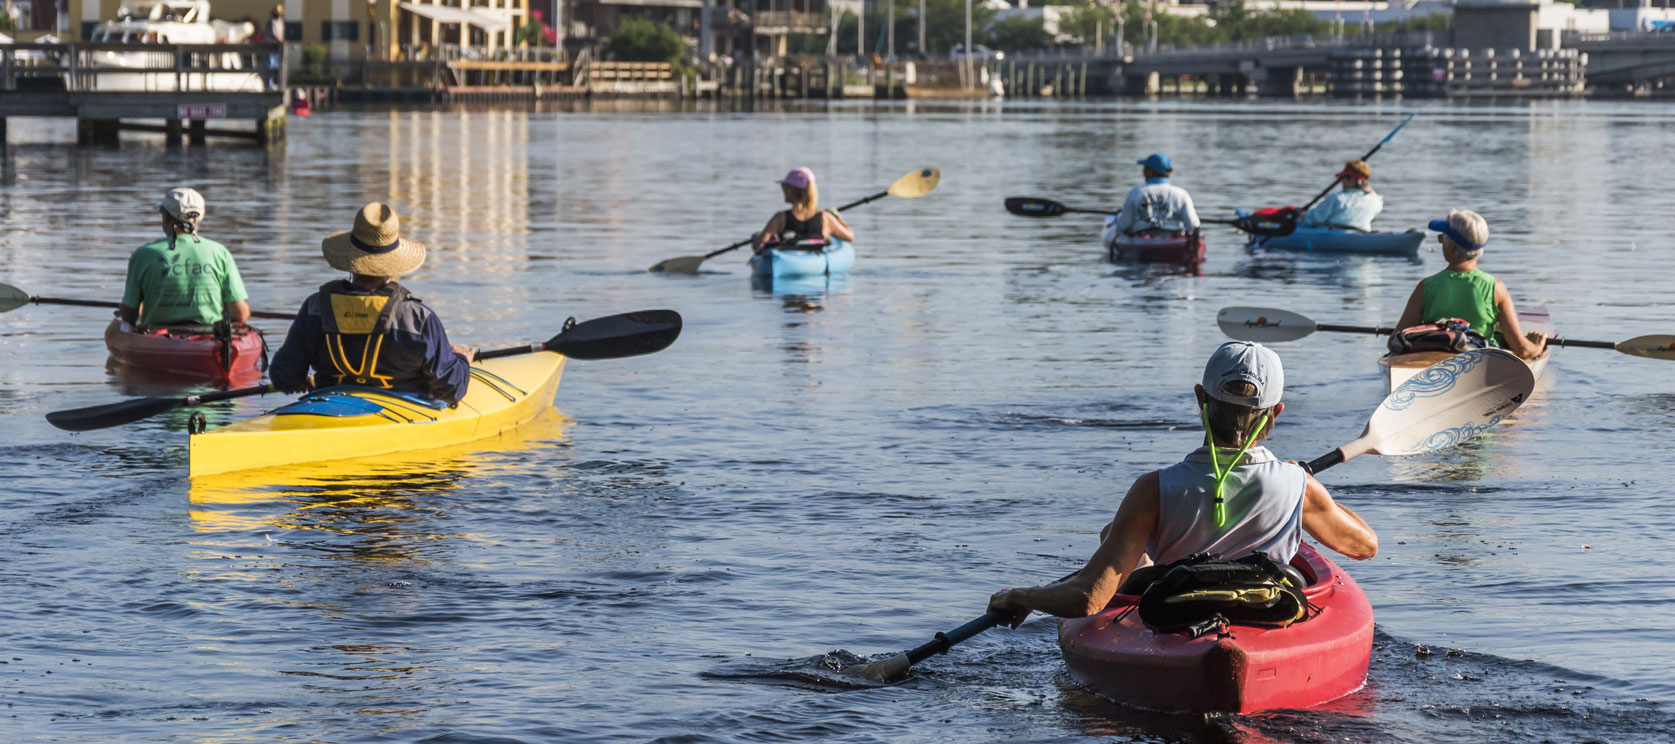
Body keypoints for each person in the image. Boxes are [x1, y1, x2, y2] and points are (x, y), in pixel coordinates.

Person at [987, 342, 1378, 625]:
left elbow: (1088, 599)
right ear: (1277, 412)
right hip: (1263, 613)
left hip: (1175, 615)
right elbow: (1364, 546)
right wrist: (1305, 482)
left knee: (1118, 539)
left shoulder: (1153, 489)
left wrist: (1022, 596)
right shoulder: (1298, 485)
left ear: (1199, 399)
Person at [269, 202, 477, 405]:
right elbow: (451, 389)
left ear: (351, 260)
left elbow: (283, 375)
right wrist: (461, 361)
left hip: (325, 406)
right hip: (402, 413)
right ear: (394, 264)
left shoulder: (315, 308)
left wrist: (300, 382)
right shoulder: (419, 319)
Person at [1394, 209, 1547, 360]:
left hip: (1433, 360)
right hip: (1482, 362)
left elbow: (1394, 341)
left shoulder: (1426, 287)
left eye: (1442, 239)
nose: (1441, 244)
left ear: (1452, 247)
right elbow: (1522, 350)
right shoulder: (1496, 288)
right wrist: (1537, 347)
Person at [119, 188, 251, 329]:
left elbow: (129, 316)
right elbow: (240, 315)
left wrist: (125, 309)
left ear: (167, 217)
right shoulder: (220, 252)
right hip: (210, 339)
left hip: (157, 337)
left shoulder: (143, 254)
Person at [750, 167, 855, 254]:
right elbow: (850, 236)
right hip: (814, 261)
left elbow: (758, 245)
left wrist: (757, 238)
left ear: (792, 190)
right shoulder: (826, 218)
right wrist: (837, 217)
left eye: (785, 187)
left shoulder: (780, 218)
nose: (783, 190)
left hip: (788, 260)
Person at [1107, 153, 1201, 240]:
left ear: (1149, 172)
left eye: (1144, 169)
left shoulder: (1136, 193)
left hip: (1143, 241)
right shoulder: (1182, 194)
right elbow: (1193, 225)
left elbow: (1123, 226)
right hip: (1174, 242)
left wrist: (1120, 215)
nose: (1143, 172)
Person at [1298, 160, 1382, 232]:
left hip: (1333, 235)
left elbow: (1312, 219)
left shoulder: (1336, 198)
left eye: (1344, 177)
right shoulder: (1376, 201)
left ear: (1352, 179)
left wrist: (1302, 215)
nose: (1341, 180)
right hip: (1362, 234)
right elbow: (1372, 195)